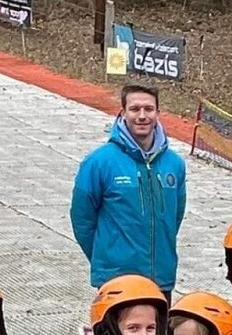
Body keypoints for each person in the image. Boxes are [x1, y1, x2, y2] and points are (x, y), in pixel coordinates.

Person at [70, 84, 187, 296]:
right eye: (135, 109)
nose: (142, 116)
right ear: (123, 113)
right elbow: (82, 219)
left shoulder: (175, 164)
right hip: (116, 279)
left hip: (160, 278)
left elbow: (174, 217)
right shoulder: (99, 162)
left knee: (158, 331)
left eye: (149, 109)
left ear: (158, 113)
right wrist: (106, 256)